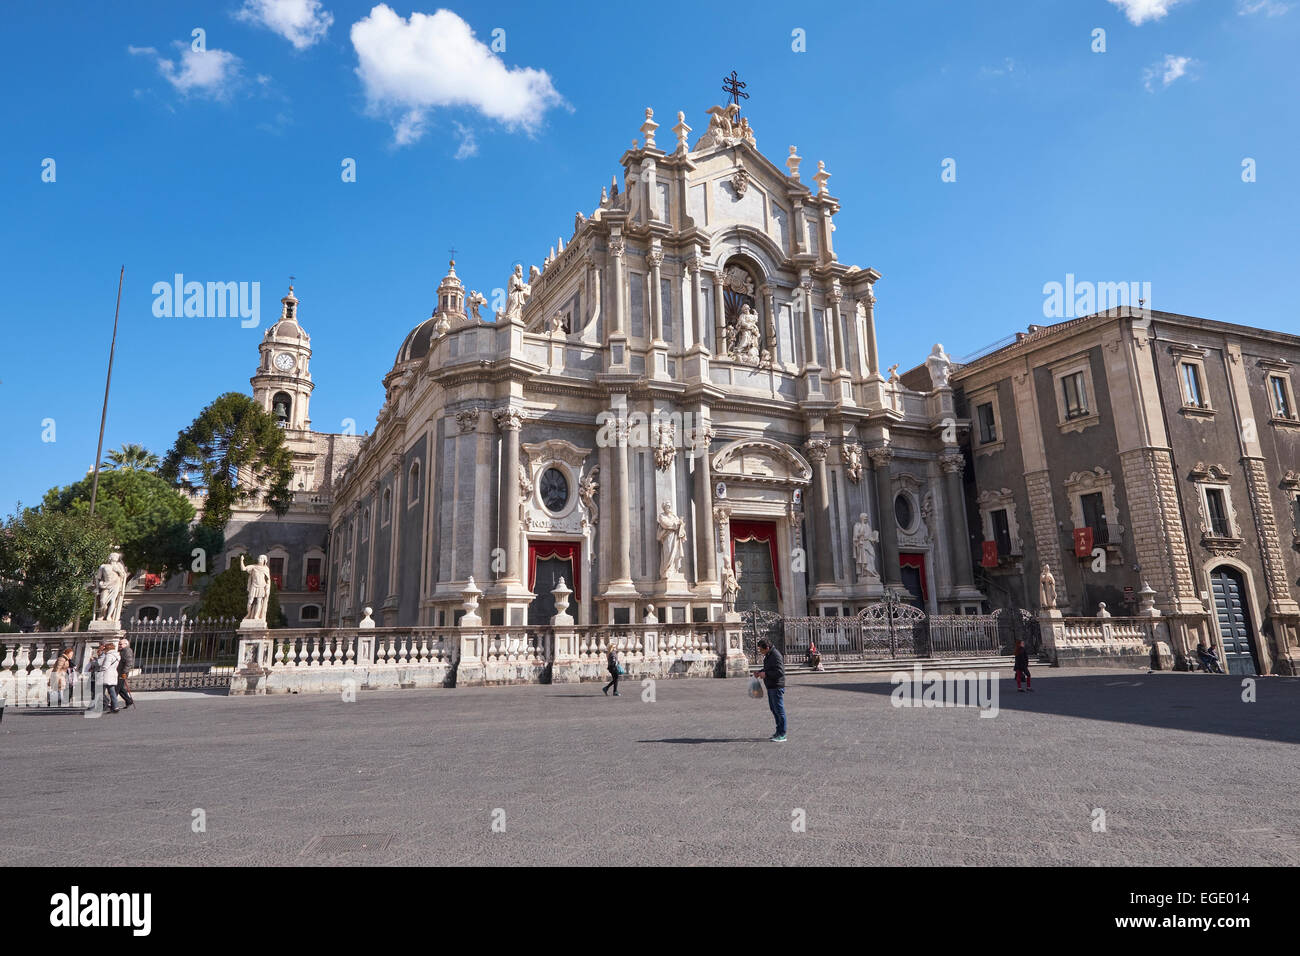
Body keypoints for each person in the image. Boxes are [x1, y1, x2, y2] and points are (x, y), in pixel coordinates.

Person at [754, 638, 786, 742]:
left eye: (761, 650)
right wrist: (760, 672)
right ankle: (778, 732)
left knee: (779, 710)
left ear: (767, 648)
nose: (760, 652)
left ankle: (782, 734)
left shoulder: (775, 655)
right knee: (774, 710)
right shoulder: (769, 655)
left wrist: (766, 674)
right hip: (771, 686)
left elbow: (780, 672)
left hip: (776, 686)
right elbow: (769, 668)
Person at [93, 641, 122, 713]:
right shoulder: (117, 655)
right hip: (113, 674)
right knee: (112, 692)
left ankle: (101, 705)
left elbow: (105, 666)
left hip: (106, 675)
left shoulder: (109, 656)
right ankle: (115, 707)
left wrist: (100, 669)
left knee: (99, 692)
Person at [117, 638, 135, 710]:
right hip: (119, 672)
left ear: (126, 644)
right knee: (120, 688)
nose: (119, 645)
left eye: (121, 644)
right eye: (119, 644)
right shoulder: (122, 651)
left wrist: (124, 672)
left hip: (123, 673)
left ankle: (112, 704)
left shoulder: (127, 651)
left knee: (116, 688)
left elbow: (129, 663)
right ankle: (128, 701)